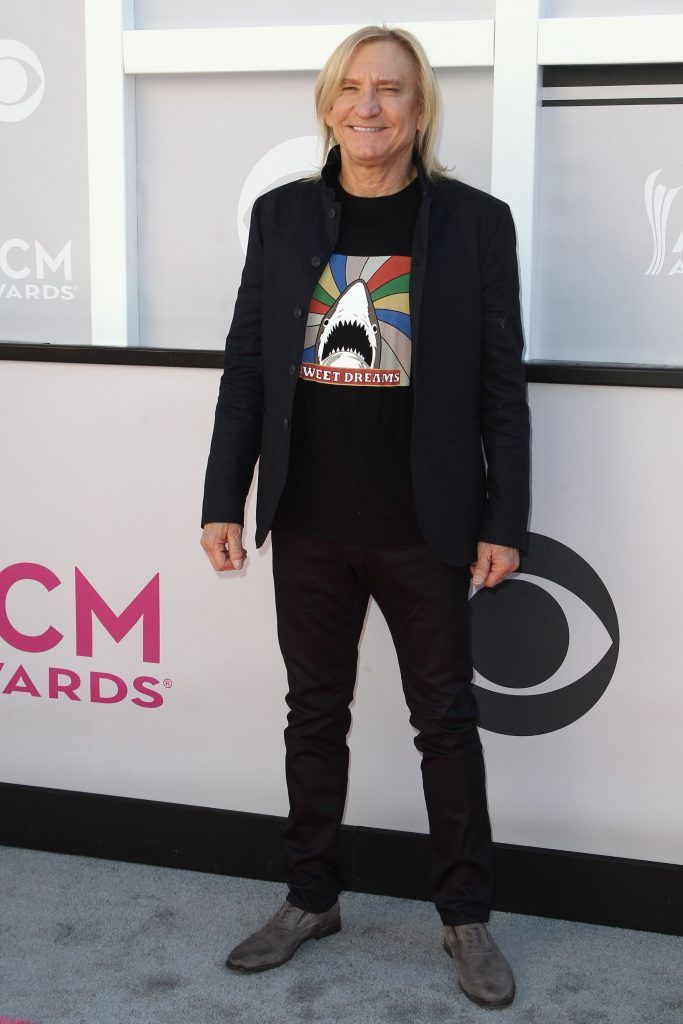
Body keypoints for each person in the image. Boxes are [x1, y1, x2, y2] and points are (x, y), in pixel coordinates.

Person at [200, 24, 530, 1010]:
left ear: (418, 109)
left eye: (389, 89)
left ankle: (464, 915)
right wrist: (225, 495)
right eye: (351, 88)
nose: (369, 105)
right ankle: (310, 895)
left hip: (422, 524)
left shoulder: (473, 224)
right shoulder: (282, 218)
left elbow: (499, 387)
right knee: (312, 713)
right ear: (328, 105)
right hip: (307, 518)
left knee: (445, 721)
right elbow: (247, 366)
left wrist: (501, 516)